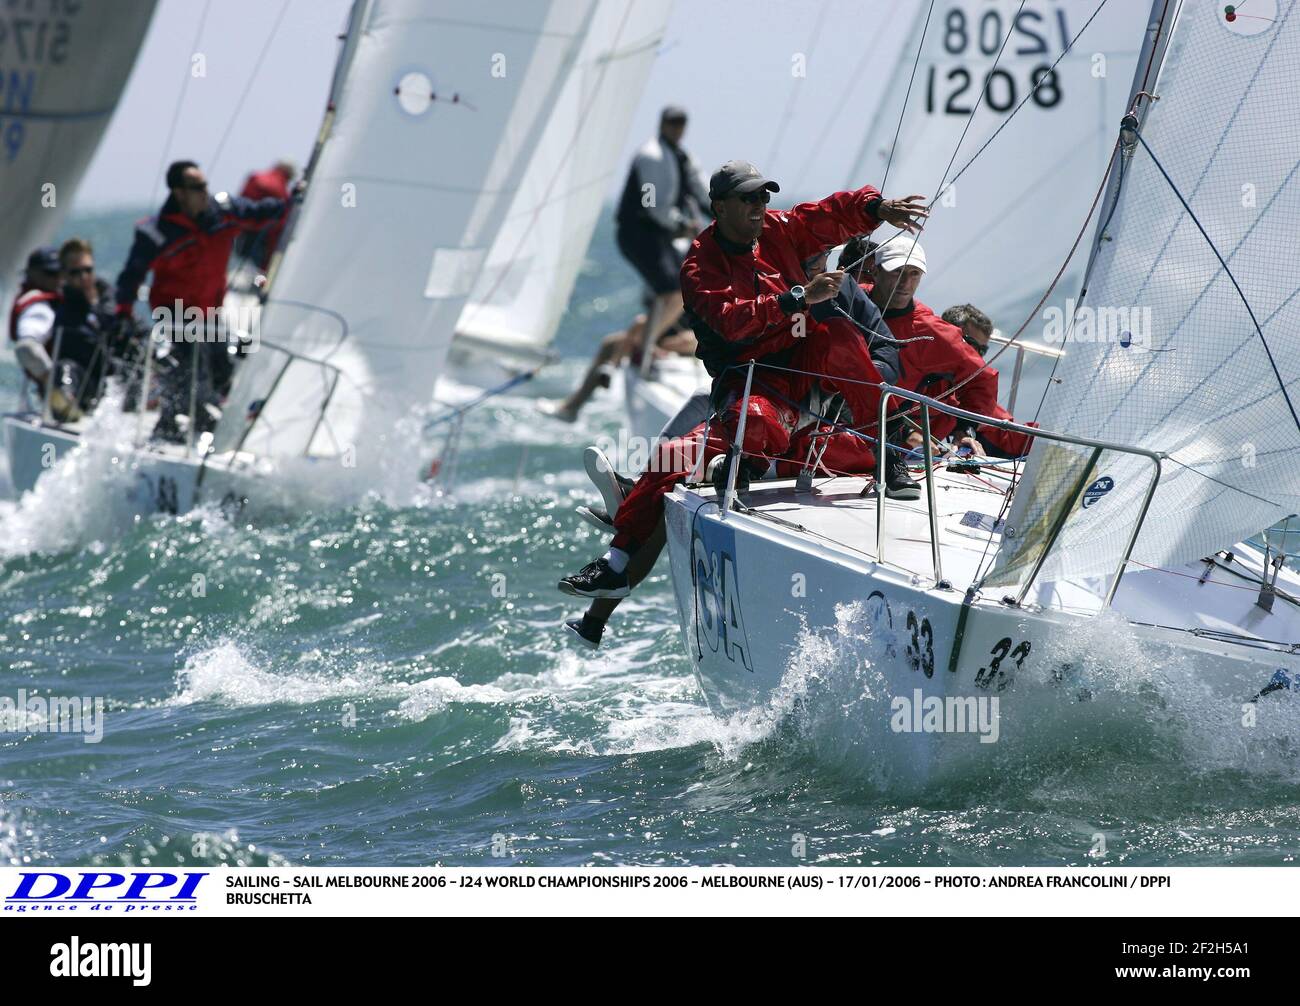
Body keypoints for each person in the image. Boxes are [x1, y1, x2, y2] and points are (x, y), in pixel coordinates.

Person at [557, 159, 928, 603]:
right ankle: (616, 564)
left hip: (807, 368)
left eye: (763, 197)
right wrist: (798, 298)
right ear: (719, 207)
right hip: (753, 380)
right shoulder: (700, 266)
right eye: (748, 198)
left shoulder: (779, 228)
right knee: (681, 451)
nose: (759, 206)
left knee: (839, 336)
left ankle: (884, 451)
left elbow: (824, 215)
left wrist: (875, 208)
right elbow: (732, 322)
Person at [115, 159, 291, 442]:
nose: (205, 192)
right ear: (179, 193)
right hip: (174, 314)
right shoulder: (156, 231)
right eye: (197, 187)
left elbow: (264, 213)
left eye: (205, 185)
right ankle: (170, 426)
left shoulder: (224, 214)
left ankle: (199, 422)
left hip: (209, 314)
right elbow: (131, 275)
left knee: (222, 374)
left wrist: (296, 199)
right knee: (189, 368)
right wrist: (122, 313)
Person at [613, 107, 710, 360]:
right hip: (639, 235)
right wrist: (681, 225)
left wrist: (724, 213)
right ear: (662, 124)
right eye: (672, 123)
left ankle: (646, 344)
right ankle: (644, 348)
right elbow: (652, 205)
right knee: (675, 292)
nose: (677, 128)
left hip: (658, 237)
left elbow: (700, 191)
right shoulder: (651, 157)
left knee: (670, 290)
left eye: (681, 123)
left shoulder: (681, 156)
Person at [46, 238, 117, 417]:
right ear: (64, 275)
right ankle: (65, 403)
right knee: (65, 368)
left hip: (116, 379)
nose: (83, 277)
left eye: (88, 270)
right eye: (75, 272)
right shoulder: (60, 308)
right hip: (86, 382)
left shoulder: (111, 300)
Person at [235, 159, 298, 270]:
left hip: (238, 230)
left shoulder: (255, 177)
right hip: (260, 239)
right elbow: (278, 226)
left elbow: (241, 201)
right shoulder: (282, 192)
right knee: (253, 272)